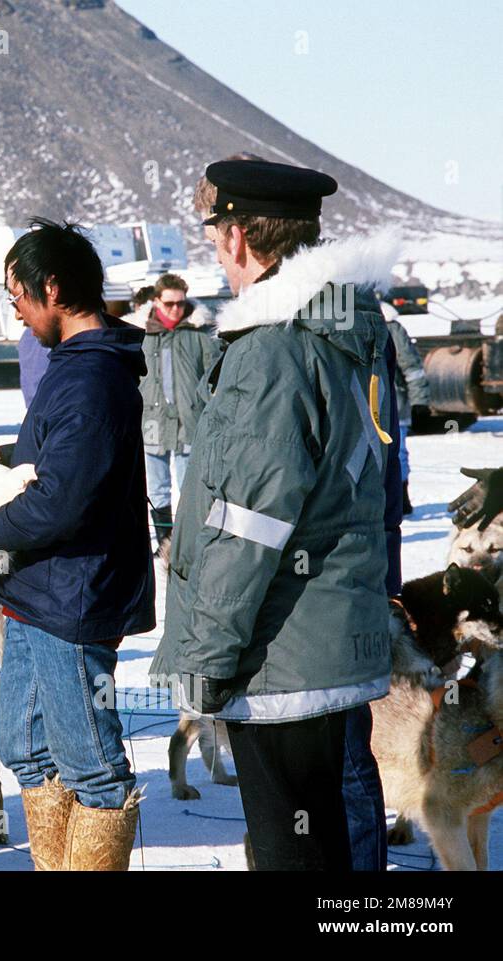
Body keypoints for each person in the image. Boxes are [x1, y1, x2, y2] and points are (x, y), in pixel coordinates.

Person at [149, 159, 398, 871]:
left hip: (278, 660)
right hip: (327, 639)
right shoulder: (341, 329)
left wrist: (204, 659)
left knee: (293, 854)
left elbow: (247, 524)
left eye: (215, 231)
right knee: (327, 848)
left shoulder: (270, 349)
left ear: (235, 237)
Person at [0, 219, 155, 871]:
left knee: (93, 769)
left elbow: (63, 502)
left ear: (52, 287)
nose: (13, 306)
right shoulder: (73, 369)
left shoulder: (93, 378)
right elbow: (70, 460)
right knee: (26, 747)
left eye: (15, 292)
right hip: (37, 594)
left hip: (73, 599)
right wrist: (10, 456)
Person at [138, 273, 222, 565]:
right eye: (169, 303)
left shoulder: (200, 333)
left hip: (190, 420)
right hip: (152, 421)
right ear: (156, 301)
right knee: (157, 487)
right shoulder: (141, 334)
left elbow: (216, 375)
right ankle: (163, 542)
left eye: (180, 303)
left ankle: (186, 542)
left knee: (190, 484)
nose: (176, 309)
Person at [379, 300, 430, 514]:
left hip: (394, 404)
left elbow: (412, 368)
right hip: (366, 405)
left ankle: (401, 498)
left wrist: (420, 402)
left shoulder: (391, 327)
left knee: (397, 452)